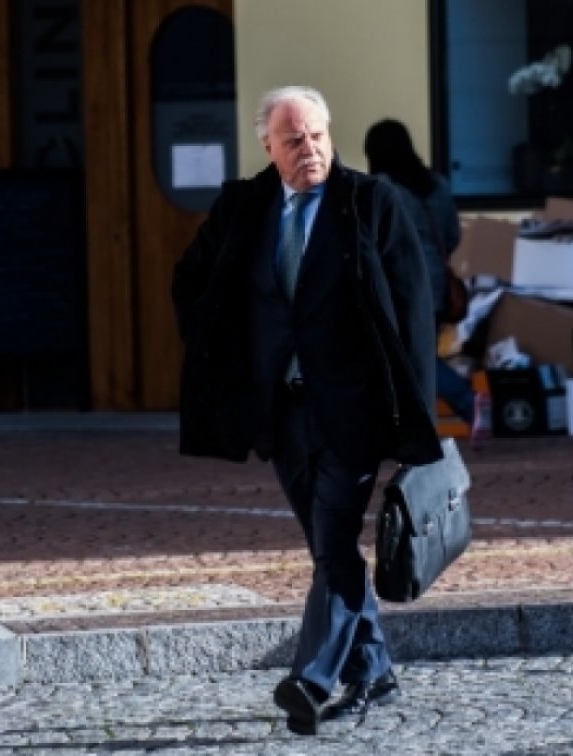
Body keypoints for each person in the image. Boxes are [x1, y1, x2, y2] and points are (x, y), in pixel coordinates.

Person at [171, 86, 443, 735]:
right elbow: (192, 280)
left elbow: (414, 308)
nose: (310, 149)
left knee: (336, 538)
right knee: (329, 548)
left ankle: (312, 678)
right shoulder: (245, 207)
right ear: (268, 145)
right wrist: (224, 358)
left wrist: (414, 415)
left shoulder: (371, 202)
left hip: (355, 410)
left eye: (318, 136)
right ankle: (374, 672)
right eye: (294, 140)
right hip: (282, 412)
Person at [363, 118, 478, 426]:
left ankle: (469, 402)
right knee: (414, 357)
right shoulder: (437, 184)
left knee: (410, 359)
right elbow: (452, 236)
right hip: (436, 285)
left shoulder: (381, 188)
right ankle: (414, 426)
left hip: (401, 285)